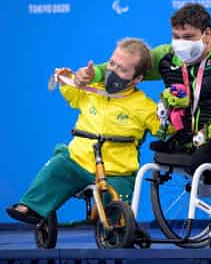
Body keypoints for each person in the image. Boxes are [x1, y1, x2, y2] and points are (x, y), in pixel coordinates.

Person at [74, 3, 211, 176]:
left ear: (206, 34)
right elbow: (130, 64)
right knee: (162, 151)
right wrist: (95, 75)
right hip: (186, 137)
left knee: (203, 161)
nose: (181, 43)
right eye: (176, 36)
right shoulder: (167, 55)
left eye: (187, 37)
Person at [6, 38, 163, 224]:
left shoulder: (144, 106)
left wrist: (171, 113)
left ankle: (116, 231)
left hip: (116, 171)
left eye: (122, 69)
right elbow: (73, 95)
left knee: (118, 215)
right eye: (112, 63)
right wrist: (66, 79)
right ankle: (31, 207)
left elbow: (162, 129)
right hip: (78, 161)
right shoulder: (91, 89)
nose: (112, 70)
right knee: (56, 167)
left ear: (137, 78)